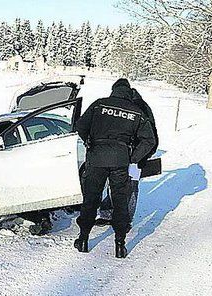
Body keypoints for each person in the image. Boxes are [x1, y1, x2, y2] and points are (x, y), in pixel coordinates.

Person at [73, 79, 156, 258]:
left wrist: (90, 141)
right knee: (120, 201)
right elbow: (150, 140)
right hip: (120, 161)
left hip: (97, 158)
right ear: (129, 93)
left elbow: (80, 125)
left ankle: (83, 239)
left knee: (91, 199)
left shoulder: (99, 105)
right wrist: (133, 157)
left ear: (113, 91)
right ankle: (120, 244)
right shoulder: (136, 112)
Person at [95, 88, 159, 226]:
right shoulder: (117, 106)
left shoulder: (141, 108)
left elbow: (151, 136)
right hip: (116, 154)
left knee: (130, 187)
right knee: (112, 184)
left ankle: (125, 219)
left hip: (135, 156)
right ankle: (107, 214)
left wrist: (137, 157)